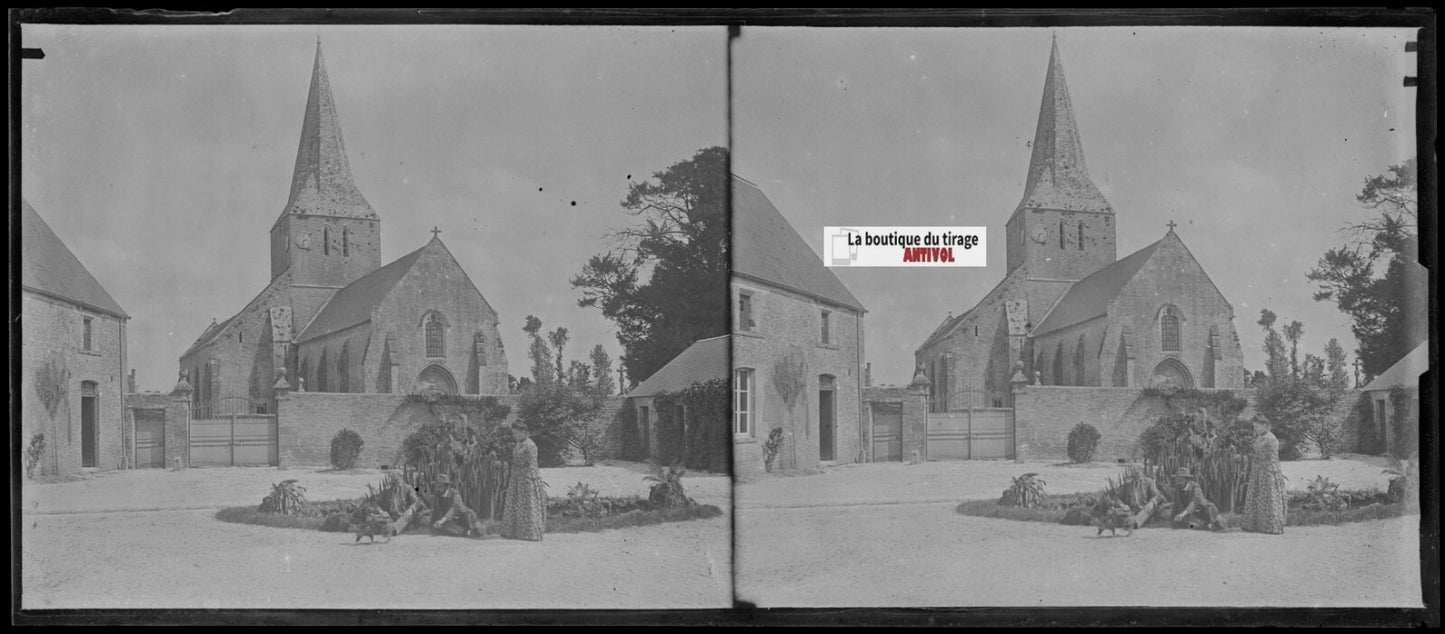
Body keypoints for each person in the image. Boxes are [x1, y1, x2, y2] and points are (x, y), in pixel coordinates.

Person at [500, 423, 546, 541]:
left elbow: (530, 463)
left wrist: (525, 474)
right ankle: (514, 531)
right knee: (516, 503)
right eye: (513, 433)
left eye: (516, 433)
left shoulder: (530, 445)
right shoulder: (519, 444)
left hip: (527, 477)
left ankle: (530, 533)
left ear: (523, 432)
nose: (514, 435)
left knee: (528, 504)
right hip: (517, 477)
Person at [1242, 416, 1287, 534]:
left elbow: (1266, 455)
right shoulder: (1261, 437)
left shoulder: (1270, 439)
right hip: (1259, 470)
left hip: (1267, 471)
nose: (1255, 429)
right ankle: (1256, 524)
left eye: (1257, 427)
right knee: (1258, 496)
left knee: (1268, 497)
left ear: (1265, 425)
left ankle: (1271, 526)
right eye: (1254, 427)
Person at [431, 473, 484, 538]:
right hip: (453, 520)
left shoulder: (455, 493)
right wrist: (434, 524)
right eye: (436, 487)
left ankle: (473, 531)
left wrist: (442, 520)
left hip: (465, 517)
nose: (437, 489)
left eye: (440, 487)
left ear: (447, 487)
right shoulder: (438, 496)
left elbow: (454, 508)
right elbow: (436, 511)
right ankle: (467, 532)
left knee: (476, 527)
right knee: (442, 527)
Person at [1119, 465, 1168, 530]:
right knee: (1114, 512)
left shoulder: (1149, 482)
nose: (1136, 475)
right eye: (1134, 474)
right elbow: (1116, 497)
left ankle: (1133, 523)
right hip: (1132, 509)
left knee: (1148, 509)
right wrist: (1122, 505)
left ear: (1142, 471)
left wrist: (1151, 502)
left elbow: (1157, 495)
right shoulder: (1128, 484)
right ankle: (1129, 521)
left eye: (1137, 473)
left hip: (1144, 507)